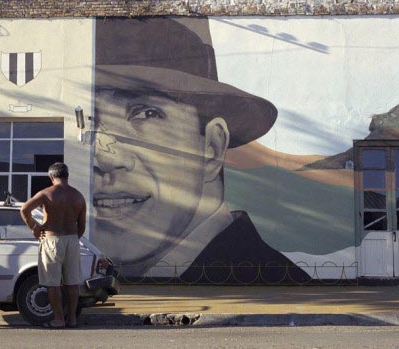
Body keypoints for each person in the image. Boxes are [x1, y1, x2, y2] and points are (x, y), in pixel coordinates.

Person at [91, 17, 310, 283]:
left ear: (212, 148)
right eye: (89, 119)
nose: (103, 156)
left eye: (147, 114)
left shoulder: (267, 280)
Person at [20, 162, 86, 328]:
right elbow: (82, 226)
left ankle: (58, 319)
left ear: (51, 177)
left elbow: (24, 210)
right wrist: (73, 238)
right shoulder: (78, 196)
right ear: (67, 176)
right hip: (72, 239)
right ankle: (72, 319)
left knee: (52, 282)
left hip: (52, 239)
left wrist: (35, 228)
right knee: (72, 282)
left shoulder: (46, 194)